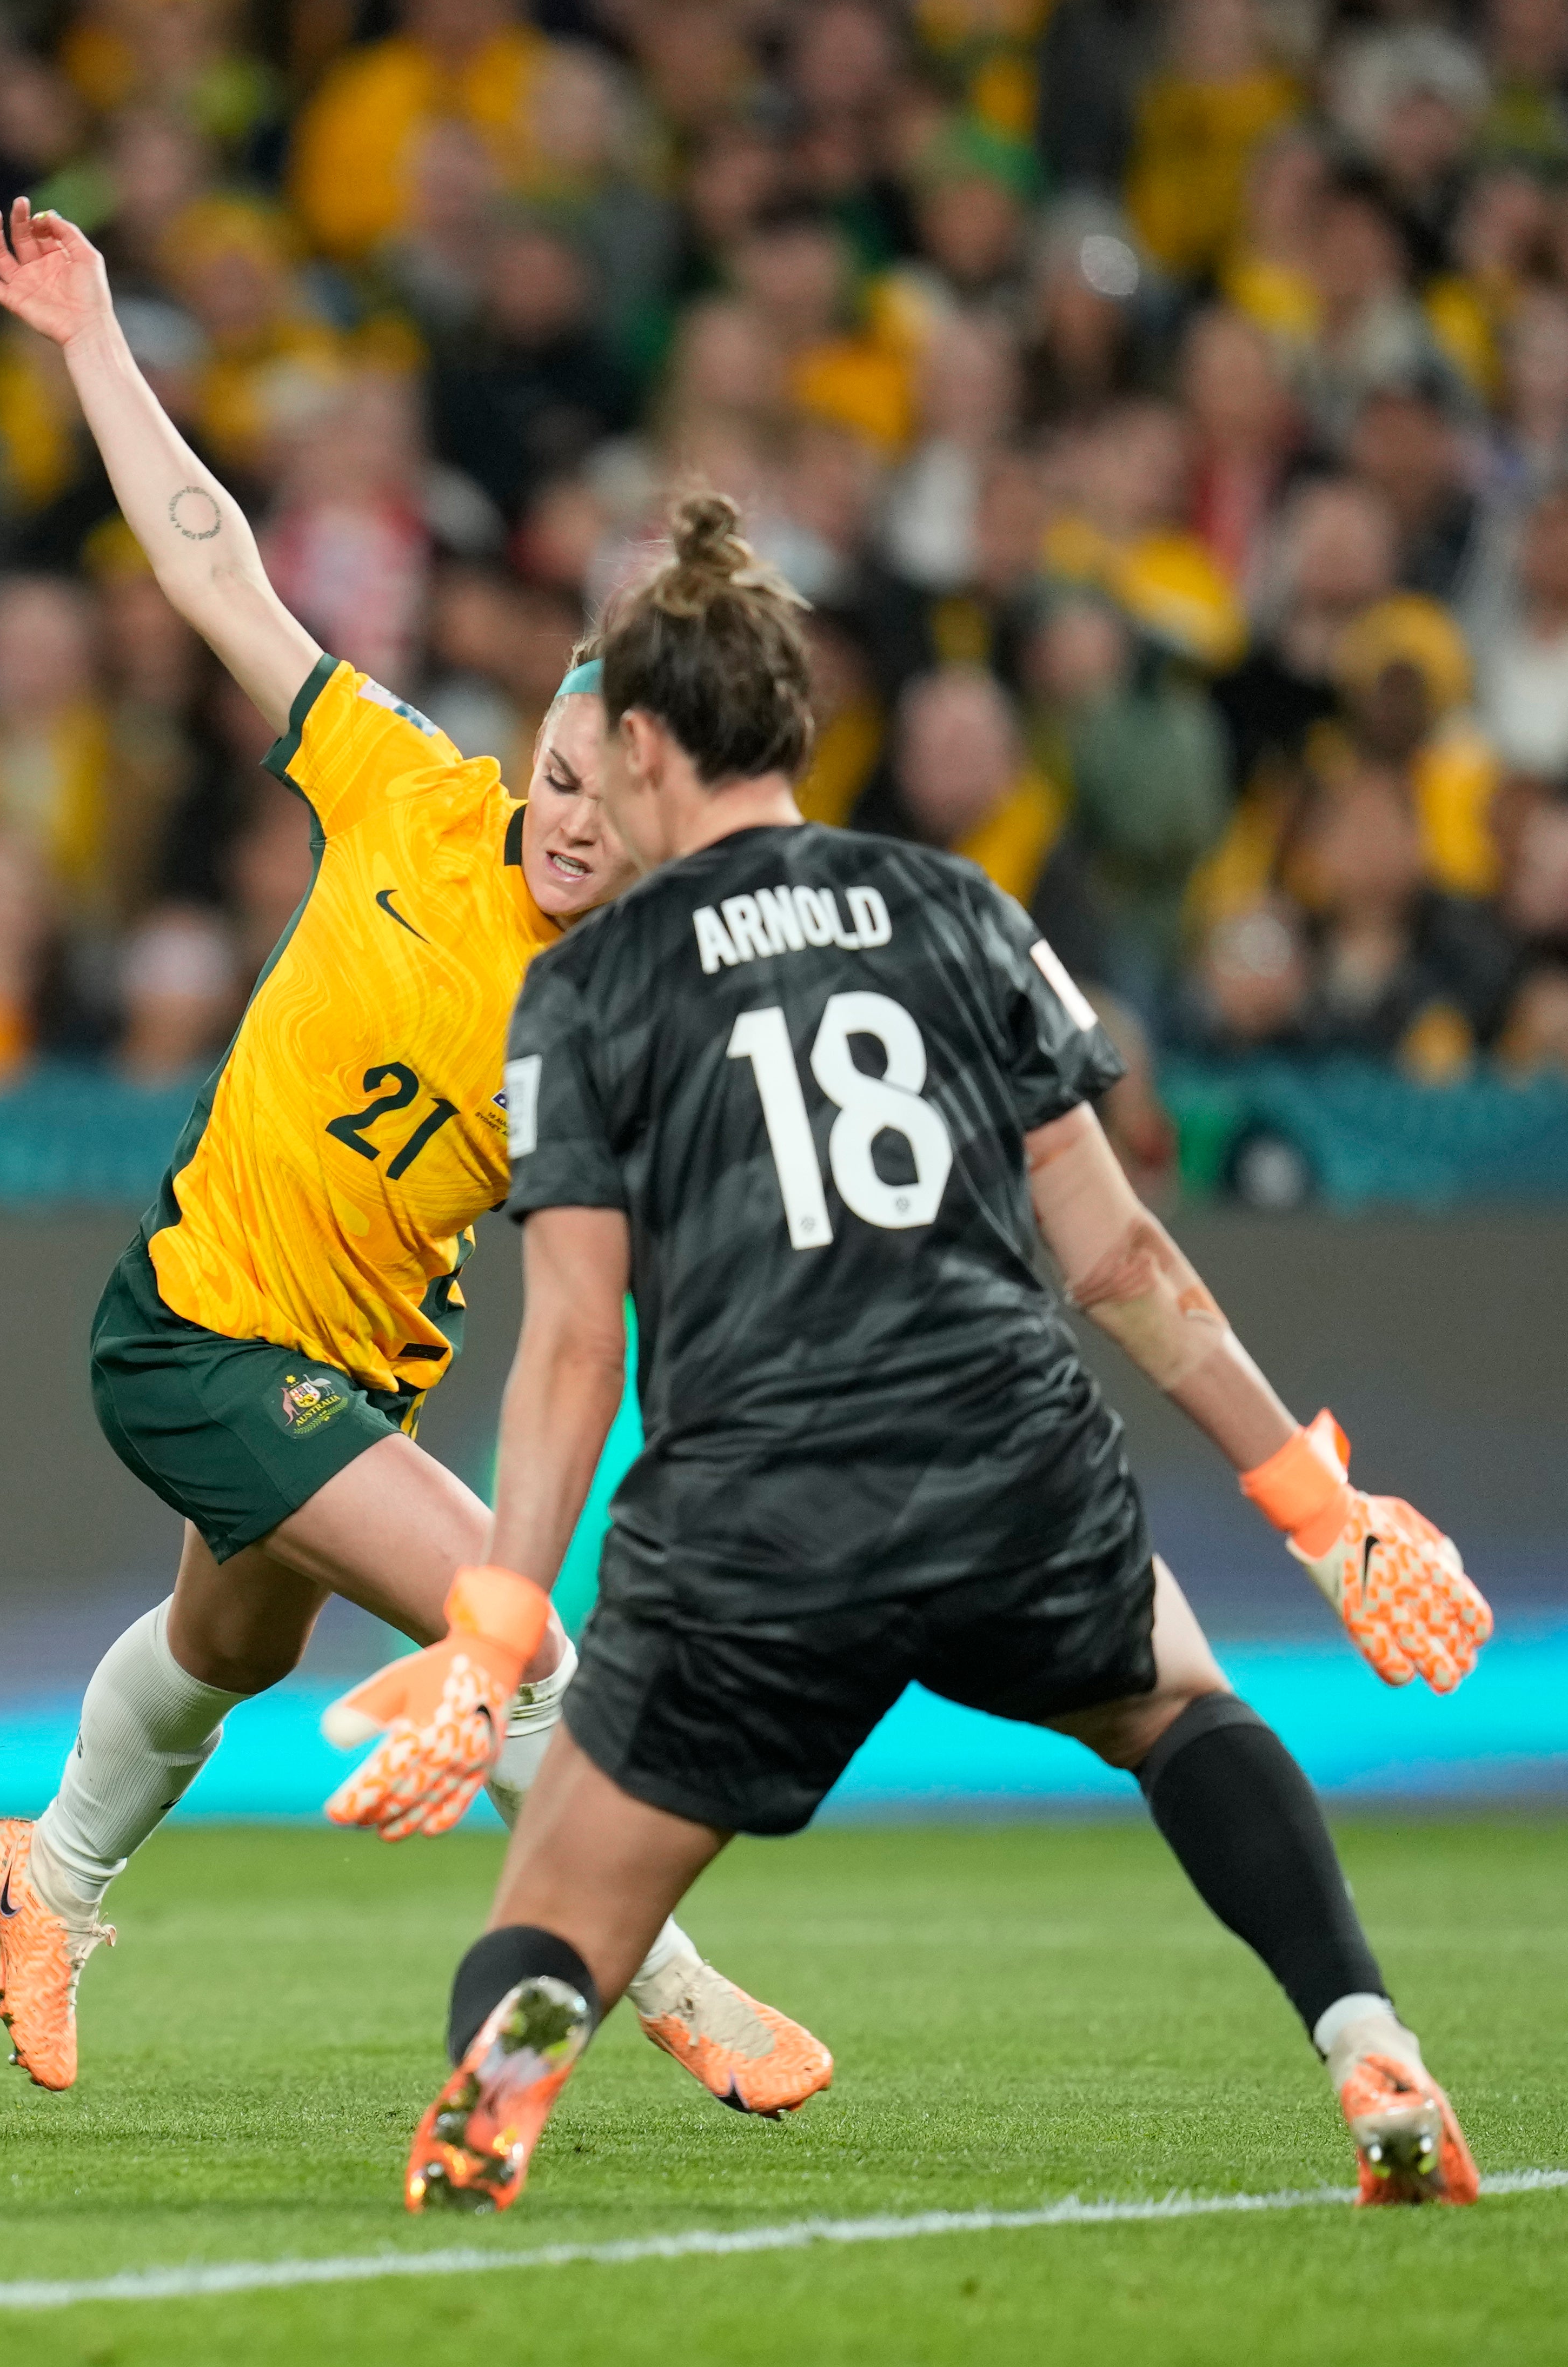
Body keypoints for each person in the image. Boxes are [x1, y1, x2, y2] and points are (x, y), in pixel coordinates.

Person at [352, 494, 1492, 2214]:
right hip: (1004, 1453)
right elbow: (1120, 1252)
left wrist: (501, 1618)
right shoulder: (957, 906)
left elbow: (577, 1343)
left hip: (757, 1511)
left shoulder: (591, 992)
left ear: (648, 742)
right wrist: (1316, 1504)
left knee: (567, 1897)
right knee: (1183, 1711)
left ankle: (527, 2036)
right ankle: (1362, 2038)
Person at [0, 203, 829, 2116]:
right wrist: (97, 338)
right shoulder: (409, 791)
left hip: (358, 1363)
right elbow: (217, 577)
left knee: (220, 1647)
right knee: (513, 1632)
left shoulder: (641, 1005)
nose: (576, 824)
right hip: (196, 1328)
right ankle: (667, 1986)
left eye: (623, 802)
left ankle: (47, 1868)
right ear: (536, 752)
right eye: (566, 777)